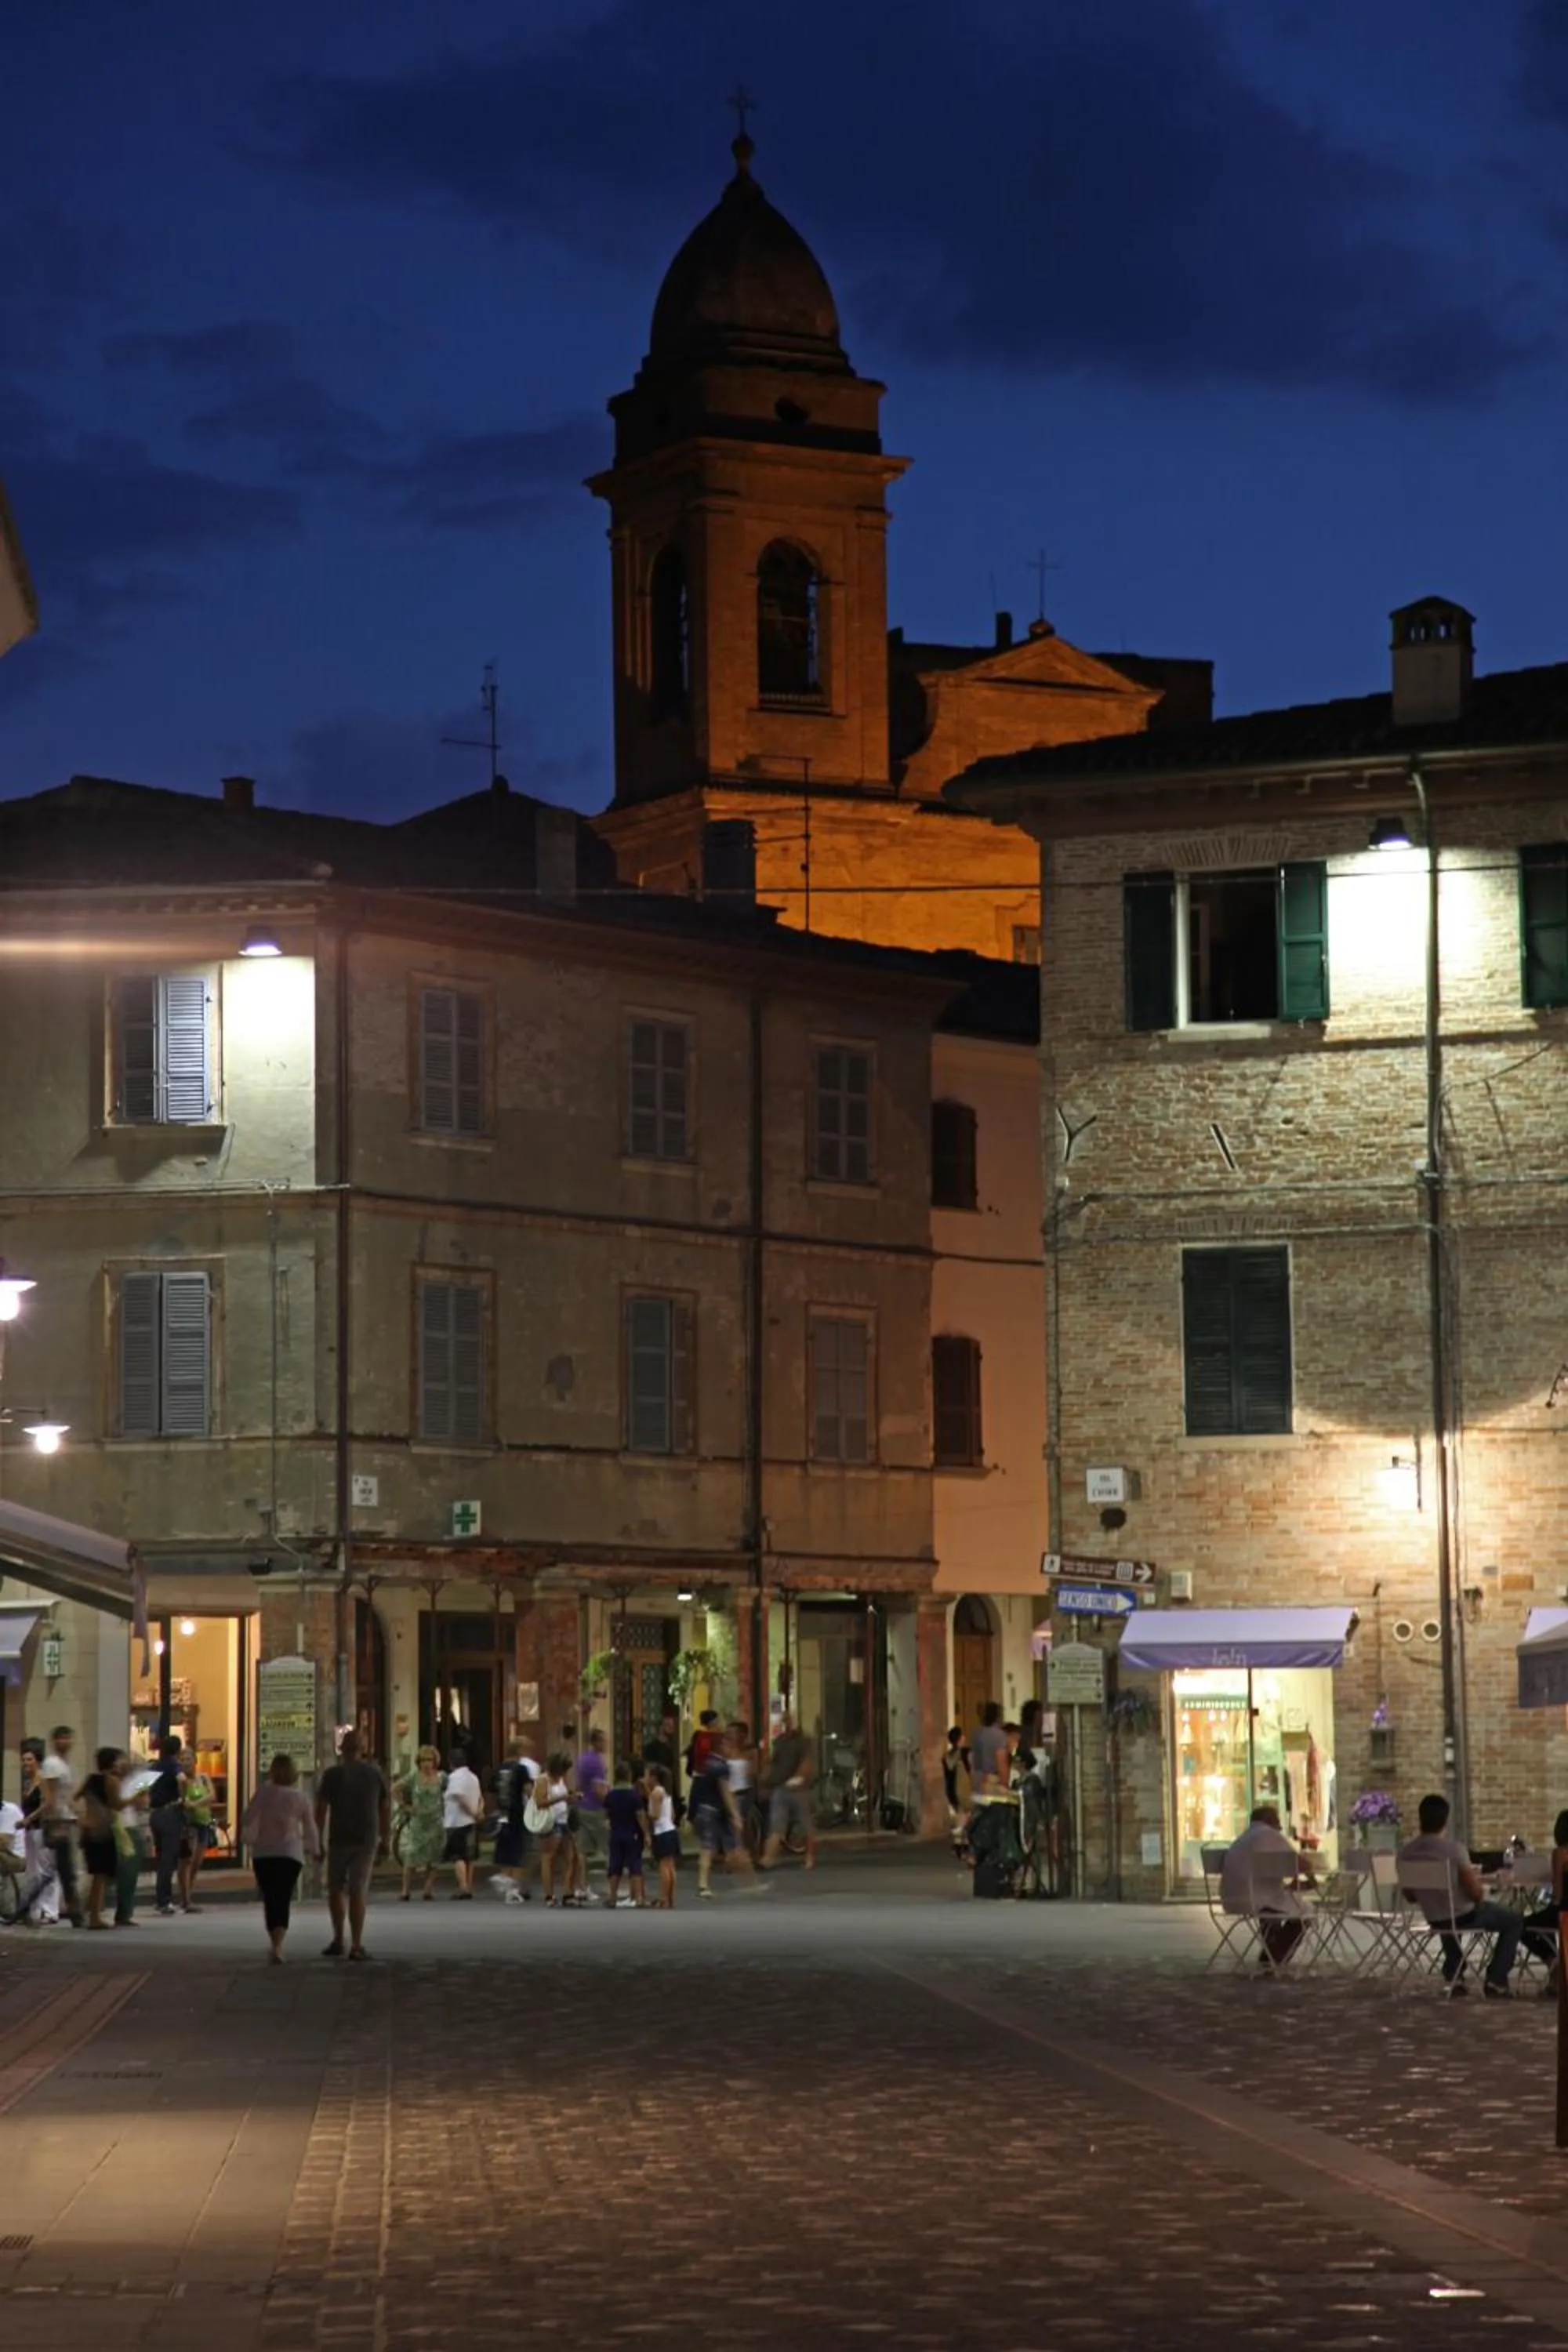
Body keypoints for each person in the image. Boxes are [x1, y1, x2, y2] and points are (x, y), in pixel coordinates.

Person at [1398, 1791, 1523, 1998]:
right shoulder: (1453, 1850)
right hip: (1462, 1915)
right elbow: (1474, 1894)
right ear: (1445, 1820)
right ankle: (1496, 1978)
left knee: (1447, 1914)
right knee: (1514, 1919)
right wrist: (1483, 1892)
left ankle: (1455, 1975)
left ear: (1421, 1818)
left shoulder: (1406, 1854)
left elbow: (1410, 1897)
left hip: (1434, 1918)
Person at [314, 1728, 389, 1962]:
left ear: (341, 1749)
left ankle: (338, 1939)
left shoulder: (332, 1775)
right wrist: (386, 1838)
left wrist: (317, 1839)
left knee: (335, 1888)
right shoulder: (374, 1774)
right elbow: (385, 1808)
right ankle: (356, 1944)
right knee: (358, 1889)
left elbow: (321, 1810)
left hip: (339, 1837)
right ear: (363, 1749)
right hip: (366, 1838)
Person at [242, 1754, 321, 1962]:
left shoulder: (263, 1794)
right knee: (283, 1897)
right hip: (290, 1854)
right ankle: (278, 1944)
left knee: (270, 1898)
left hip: (264, 1854)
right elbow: (310, 1825)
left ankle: (275, 1943)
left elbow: (247, 1818)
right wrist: (316, 1849)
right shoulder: (300, 1797)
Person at [1220, 1803, 1308, 1967]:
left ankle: (1271, 1953)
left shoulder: (1243, 1839)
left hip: (1232, 1899)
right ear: (1269, 1820)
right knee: (1306, 1912)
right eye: (1277, 1821)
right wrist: (1308, 1878)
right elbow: (1302, 1864)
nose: (1281, 1827)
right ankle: (1274, 1958)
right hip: (1258, 1900)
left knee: (1283, 1905)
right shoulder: (1268, 1835)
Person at [77, 1747, 137, 1931]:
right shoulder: (111, 1781)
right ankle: (95, 1916)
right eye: (119, 1760)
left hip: (89, 1832)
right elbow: (117, 1805)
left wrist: (82, 1819)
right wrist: (135, 1797)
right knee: (100, 1877)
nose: (122, 1764)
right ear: (112, 1763)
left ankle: (92, 1914)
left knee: (97, 1875)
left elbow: (75, 1798)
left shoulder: (90, 1780)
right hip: (103, 1832)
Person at [38, 1725, 83, 1926]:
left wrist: (78, 1815)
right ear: (55, 1741)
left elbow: (68, 1796)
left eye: (68, 1738)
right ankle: (75, 1913)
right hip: (57, 1822)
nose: (66, 1742)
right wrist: (56, 1821)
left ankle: (75, 1912)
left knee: (63, 1870)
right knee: (63, 1870)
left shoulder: (65, 1764)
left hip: (66, 1819)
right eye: (62, 1738)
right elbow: (52, 1796)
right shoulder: (53, 1764)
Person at [1520, 1807, 1568, 1994]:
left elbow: (1557, 1894)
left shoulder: (1560, 1853)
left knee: (1522, 1925)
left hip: (1564, 1912)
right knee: (1545, 1920)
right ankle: (1557, 1970)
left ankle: (1552, 1961)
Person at [761, 1715, 816, 1871]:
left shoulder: (803, 1741)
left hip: (799, 1789)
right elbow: (773, 1763)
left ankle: (809, 1857)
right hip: (781, 1787)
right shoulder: (779, 1741)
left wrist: (800, 1778)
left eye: (789, 1720)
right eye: (785, 1720)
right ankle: (769, 1858)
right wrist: (766, 1781)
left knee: (806, 1825)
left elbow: (807, 1762)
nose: (787, 1723)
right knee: (776, 1825)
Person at [394, 1746, 445, 1900]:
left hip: (435, 1821)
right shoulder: (414, 1776)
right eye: (423, 1760)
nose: (426, 1764)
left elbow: (454, 1792)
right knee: (411, 1855)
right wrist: (405, 1806)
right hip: (418, 1822)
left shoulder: (442, 1777)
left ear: (435, 1761)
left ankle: (428, 1889)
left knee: (434, 1857)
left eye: (429, 1760)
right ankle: (405, 1890)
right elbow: (395, 1788)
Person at [145, 1734, 188, 1917]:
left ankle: (161, 1898)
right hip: (170, 1813)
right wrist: (182, 1798)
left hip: (155, 1814)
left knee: (162, 1856)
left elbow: (145, 1786)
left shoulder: (155, 1765)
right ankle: (165, 1901)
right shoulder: (173, 1764)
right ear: (178, 1750)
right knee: (168, 1859)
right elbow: (182, 1779)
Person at [491, 1738, 537, 1904]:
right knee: (518, 1852)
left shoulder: (498, 1770)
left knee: (505, 1851)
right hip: (517, 1814)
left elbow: (491, 1791)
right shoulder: (521, 1769)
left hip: (502, 1814)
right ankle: (514, 1888)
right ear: (520, 1752)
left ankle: (506, 1882)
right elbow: (529, 1791)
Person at [604, 1761, 649, 1909]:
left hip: (616, 1833)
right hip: (632, 1833)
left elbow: (606, 1815)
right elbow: (640, 1815)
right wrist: (647, 1834)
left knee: (615, 1865)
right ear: (629, 1775)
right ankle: (638, 1898)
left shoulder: (610, 1795)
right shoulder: (634, 1796)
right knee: (635, 1865)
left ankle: (612, 1897)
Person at [441, 1745, 483, 1899]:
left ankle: (463, 1886)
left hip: (456, 1821)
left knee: (458, 1856)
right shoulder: (473, 1777)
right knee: (469, 1856)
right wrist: (478, 1812)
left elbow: (459, 1797)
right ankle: (469, 1885)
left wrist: (471, 1811)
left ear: (451, 1762)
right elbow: (480, 1798)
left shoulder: (454, 1778)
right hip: (471, 1821)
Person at [178, 1754, 216, 1913]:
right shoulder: (181, 1780)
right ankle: (185, 1899)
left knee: (197, 1863)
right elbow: (182, 1801)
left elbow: (212, 1796)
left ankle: (188, 1894)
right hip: (190, 1825)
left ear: (195, 1761)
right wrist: (193, 1804)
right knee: (188, 1862)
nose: (186, 1762)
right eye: (183, 1759)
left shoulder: (203, 1778)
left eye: (188, 1759)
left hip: (204, 1823)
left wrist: (195, 1804)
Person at [538, 1751, 575, 1908]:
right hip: (551, 1822)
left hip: (563, 1820)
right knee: (549, 1858)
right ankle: (549, 1894)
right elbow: (541, 1802)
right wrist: (562, 1798)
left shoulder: (561, 1780)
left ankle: (568, 1892)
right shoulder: (543, 1780)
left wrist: (571, 1798)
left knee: (571, 1858)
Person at [575, 1726, 609, 1880]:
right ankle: (614, 1885)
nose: (606, 1744)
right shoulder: (596, 1762)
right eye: (603, 1741)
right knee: (609, 1847)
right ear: (596, 1742)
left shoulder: (583, 1758)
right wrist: (610, 1805)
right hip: (596, 1809)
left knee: (583, 1850)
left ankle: (582, 1884)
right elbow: (599, 1789)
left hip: (583, 1806)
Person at [648, 1766, 680, 1908]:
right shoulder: (666, 1792)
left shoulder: (655, 1792)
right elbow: (672, 1815)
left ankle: (664, 1897)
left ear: (654, 1777)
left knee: (664, 1867)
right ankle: (671, 1897)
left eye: (648, 1775)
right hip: (671, 1829)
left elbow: (655, 1815)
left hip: (662, 1832)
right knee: (671, 1866)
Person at [968, 1702, 1007, 1795]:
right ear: (998, 1717)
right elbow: (1000, 1761)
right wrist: (1005, 1783)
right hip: (992, 1780)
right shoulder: (999, 1735)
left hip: (976, 1778)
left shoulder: (976, 1733)